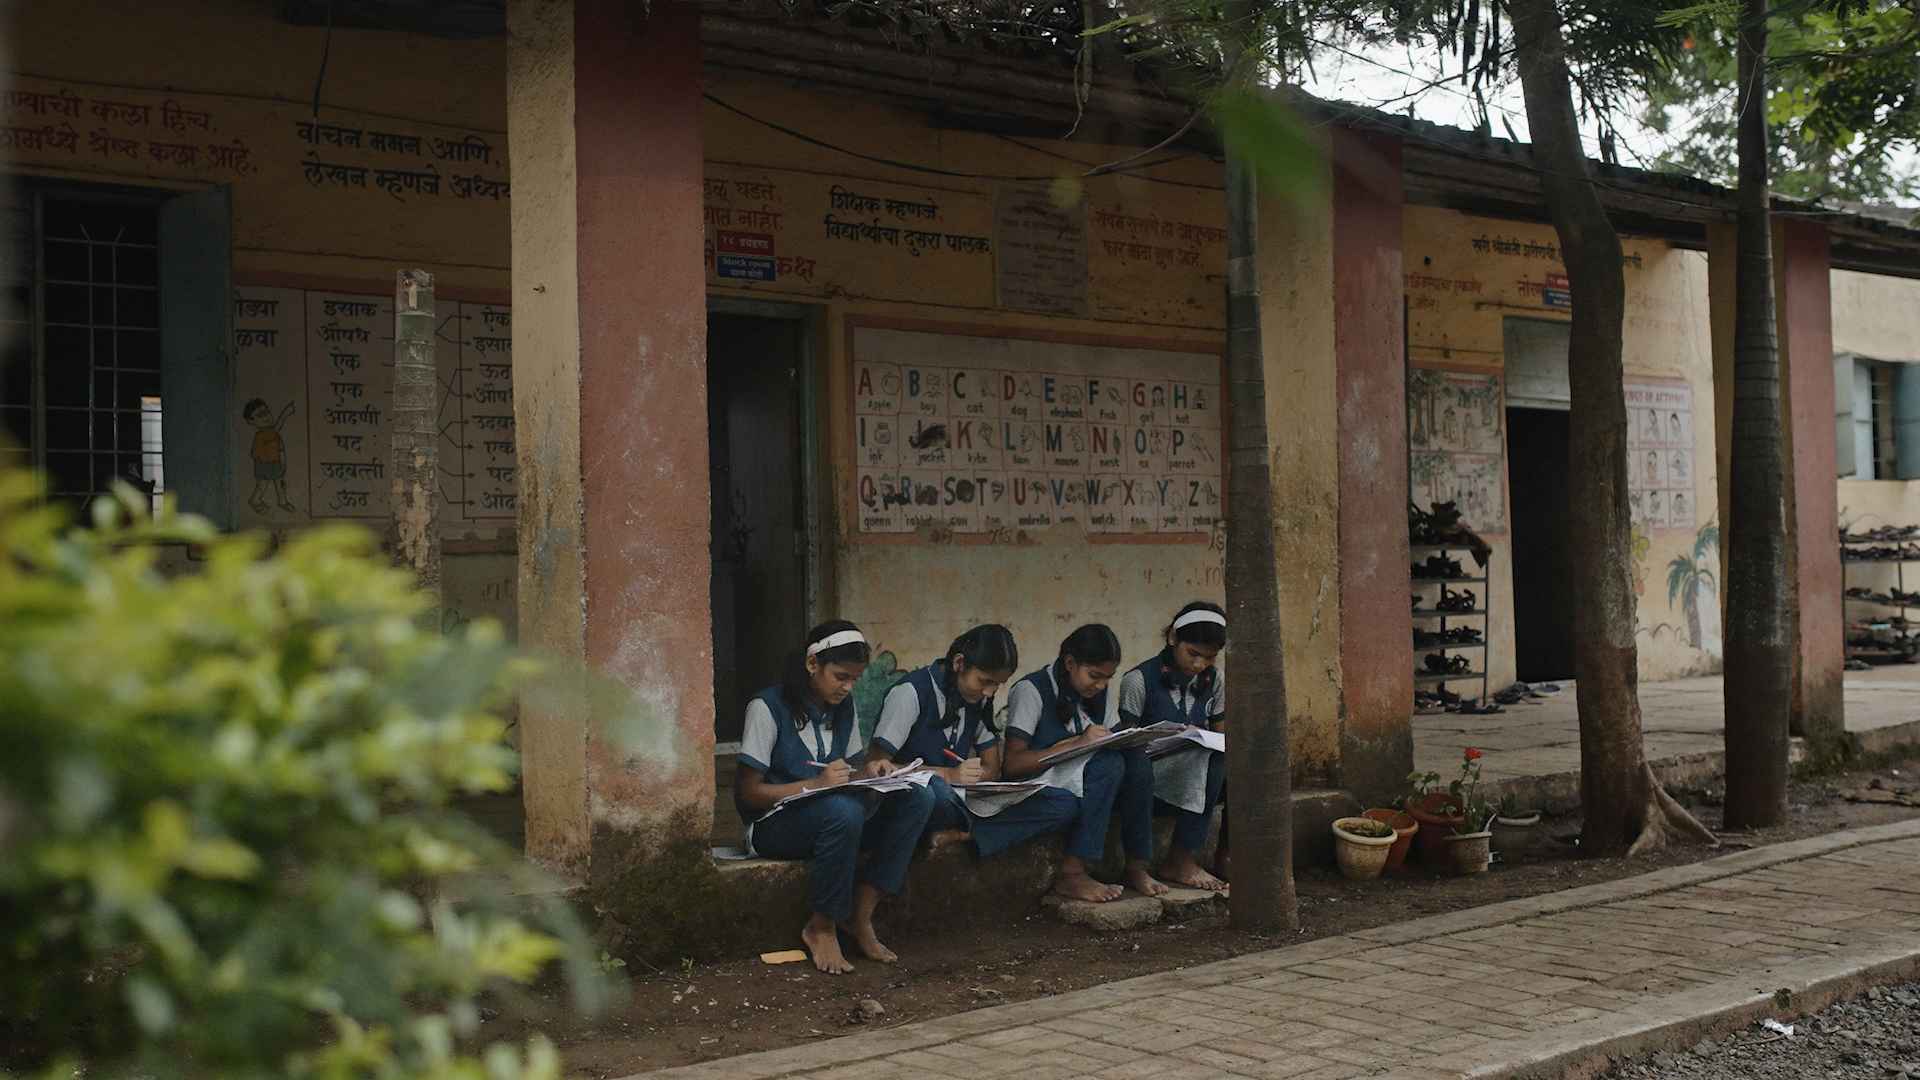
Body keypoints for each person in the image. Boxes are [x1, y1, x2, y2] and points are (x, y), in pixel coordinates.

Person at [734, 620, 935, 974]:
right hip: (774, 825)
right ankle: (822, 925)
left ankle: (860, 916)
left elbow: (850, 771)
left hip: (836, 816)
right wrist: (815, 784)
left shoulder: (844, 706)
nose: (848, 687)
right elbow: (748, 795)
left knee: (916, 797)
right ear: (813, 664)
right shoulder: (766, 707)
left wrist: (872, 772)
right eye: (841, 676)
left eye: (855, 678)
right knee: (842, 811)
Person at [1002, 625, 1166, 902]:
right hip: (1043, 782)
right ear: (1069, 663)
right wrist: (1078, 743)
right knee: (1108, 765)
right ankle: (1073, 873)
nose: (1101, 685)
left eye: (1107, 678)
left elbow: (1112, 737)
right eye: (1094, 676)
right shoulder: (1032, 690)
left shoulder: (1098, 693)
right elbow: (1013, 765)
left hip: (1090, 782)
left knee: (1137, 762)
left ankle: (1137, 865)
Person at [1119, 601, 1228, 891]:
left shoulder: (1214, 681)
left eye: (1209, 658)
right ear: (1172, 638)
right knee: (1138, 766)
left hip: (1192, 775)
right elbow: (1127, 741)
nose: (1199, 664)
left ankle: (1183, 859)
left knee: (1219, 759)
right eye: (1192, 653)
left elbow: (1222, 734)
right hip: (1146, 778)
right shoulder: (1138, 680)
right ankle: (1136, 865)